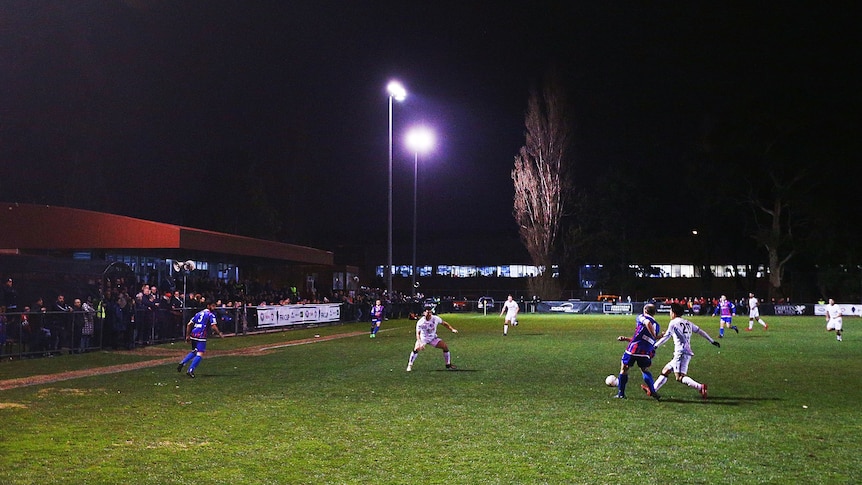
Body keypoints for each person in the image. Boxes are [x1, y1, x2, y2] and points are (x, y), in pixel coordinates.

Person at [646, 302, 720, 399]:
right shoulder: (687, 322)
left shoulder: (673, 323)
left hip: (680, 353)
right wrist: (711, 341)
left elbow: (667, 336)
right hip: (685, 352)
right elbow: (700, 331)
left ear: (674, 313)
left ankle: (700, 387)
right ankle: (652, 390)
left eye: (670, 311)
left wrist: (655, 346)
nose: (669, 313)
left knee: (679, 377)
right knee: (666, 370)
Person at [614, 303, 661, 400]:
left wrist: (655, 336)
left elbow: (647, 323)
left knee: (624, 369)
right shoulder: (657, 326)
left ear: (645, 311)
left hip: (633, 349)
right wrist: (626, 338)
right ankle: (652, 390)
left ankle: (621, 394)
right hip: (646, 351)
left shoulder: (641, 317)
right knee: (644, 369)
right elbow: (643, 338)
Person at [176, 301, 224, 378]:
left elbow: (189, 324)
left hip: (193, 333)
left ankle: (182, 362)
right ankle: (190, 370)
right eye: (213, 306)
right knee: (200, 353)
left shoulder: (198, 313)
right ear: (208, 306)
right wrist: (219, 333)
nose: (214, 308)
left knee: (194, 351)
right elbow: (213, 326)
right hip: (201, 335)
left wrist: (187, 335)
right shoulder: (210, 315)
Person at [406, 306, 458, 372]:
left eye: (430, 312)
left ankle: (448, 364)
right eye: (428, 312)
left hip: (433, 338)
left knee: (445, 347)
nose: (429, 314)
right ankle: (409, 365)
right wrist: (420, 343)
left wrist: (452, 329)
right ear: (424, 313)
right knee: (416, 349)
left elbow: (444, 323)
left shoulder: (435, 318)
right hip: (423, 338)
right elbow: (418, 334)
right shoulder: (420, 322)